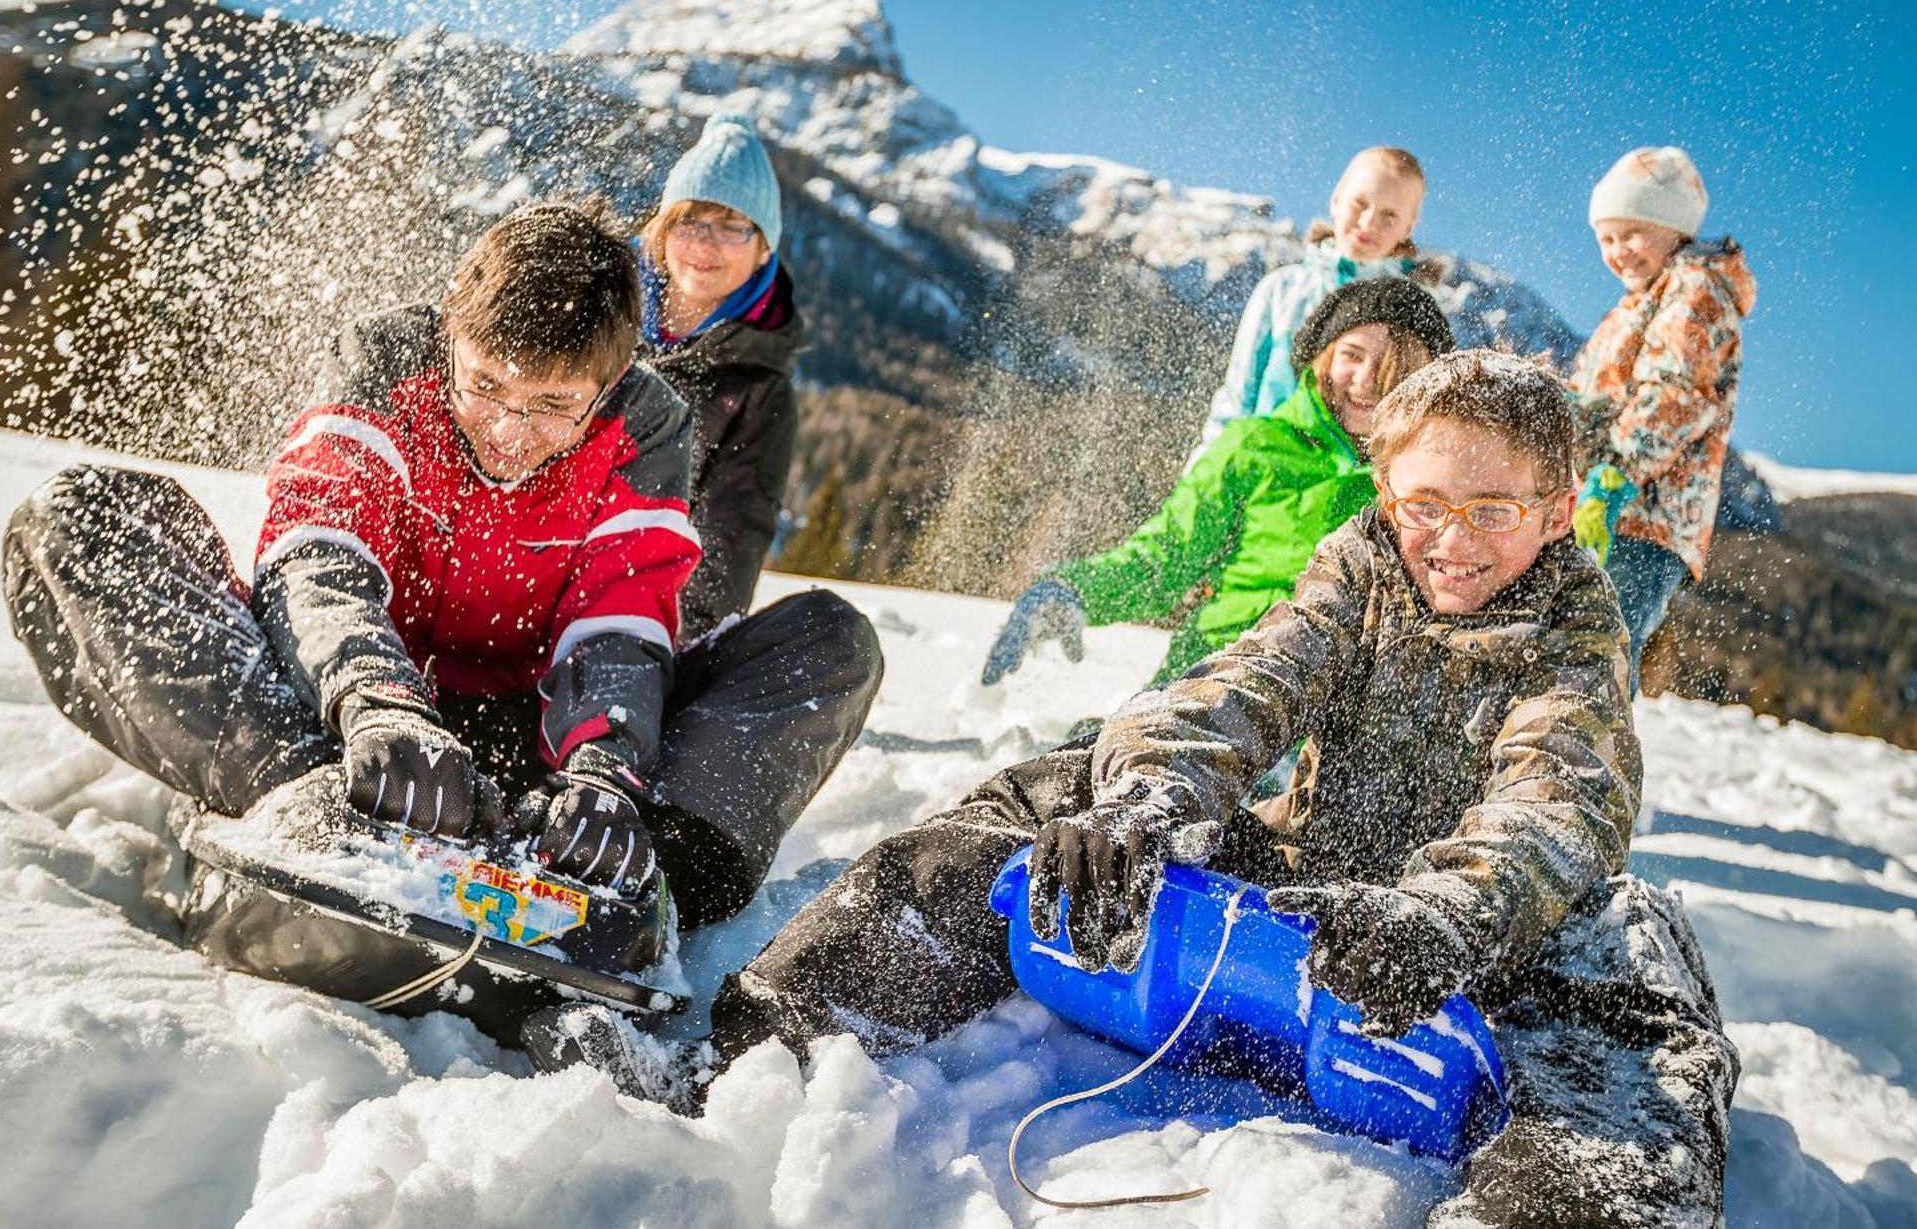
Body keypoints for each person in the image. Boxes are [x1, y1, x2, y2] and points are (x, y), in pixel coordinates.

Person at [539, 350, 1738, 1228]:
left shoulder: (1572, 619)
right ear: (1385, 493)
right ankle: (753, 1046)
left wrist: (1450, 914)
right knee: (1049, 802)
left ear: (1552, 508)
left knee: (1635, 1038)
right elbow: (1243, 684)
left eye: (1496, 511)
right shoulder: (1360, 563)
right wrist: (1145, 804)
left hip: (1487, 930)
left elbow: (1557, 792)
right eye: (1425, 503)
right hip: (1313, 877)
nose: (1453, 539)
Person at [1, 201, 882, 1034]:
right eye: (487, 385)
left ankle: (622, 883)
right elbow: (318, 553)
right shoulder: (387, 358)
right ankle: (297, 799)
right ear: (452, 336)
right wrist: (373, 703)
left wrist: (608, 774)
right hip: (340, 718)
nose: (507, 430)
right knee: (78, 516)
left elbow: (620, 614)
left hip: (537, 752)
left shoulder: (646, 422)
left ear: (610, 384)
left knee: (829, 640)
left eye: (549, 406)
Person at [982, 277, 1455, 688]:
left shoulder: (1433, 480)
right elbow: (1167, 555)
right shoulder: (1253, 445)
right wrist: (1073, 590)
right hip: (1216, 675)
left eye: (1397, 365)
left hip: (1335, 710)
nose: (1368, 379)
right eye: (1352, 355)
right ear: (1322, 356)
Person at [1571, 145, 1754, 691]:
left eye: (1632, 233)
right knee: (1574, 649)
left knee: (1597, 660)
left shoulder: (1694, 291)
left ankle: (1588, 769)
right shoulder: (1638, 302)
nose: (1616, 251)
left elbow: (1676, 394)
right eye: (1605, 238)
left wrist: (1612, 477)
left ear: (1673, 228)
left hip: (1641, 515)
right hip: (1604, 509)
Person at [636, 111, 803, 641]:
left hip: (643, 632)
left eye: (734, 226)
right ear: (663, 230)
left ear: (763, 249)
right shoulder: (604, 323)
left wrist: (659, 656)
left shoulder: (759, 392)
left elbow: (722, 565)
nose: (707, 244)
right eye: (692, 220)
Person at [1190, 146, 1430, 458]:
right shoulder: (1281, 291)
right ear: (1336, 199)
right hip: (1262, 470)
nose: (1369, 222)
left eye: (1389, 215)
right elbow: (1237, 399)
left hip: (1343, 489)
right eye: (1360, 203)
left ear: (1407, 228)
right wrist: (1204, 476)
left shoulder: (1412, 315)